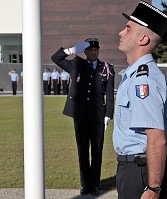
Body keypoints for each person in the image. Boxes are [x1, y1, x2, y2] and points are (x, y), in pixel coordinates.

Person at [113, 1, 167, 198]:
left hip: (141, 172)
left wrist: (154, 187)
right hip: (133, 168)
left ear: (143, 39)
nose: (121, 33)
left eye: (128, 29)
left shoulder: (143, 80)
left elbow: (156, 138)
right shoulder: (134, 75)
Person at [51, 38, 115, 196]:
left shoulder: (106, 68)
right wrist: (72, 50)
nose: (93, 52)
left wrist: (108, 114)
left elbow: (109, 94)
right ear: (85, 51)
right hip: (80, 115)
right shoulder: (76, 64)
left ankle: (95, 184)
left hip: (98, 114)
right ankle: (85, 184)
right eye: (90, 50)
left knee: (97, 151)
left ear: (98, 51)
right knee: (83, 151)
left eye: (96, 50)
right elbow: (56, 58)